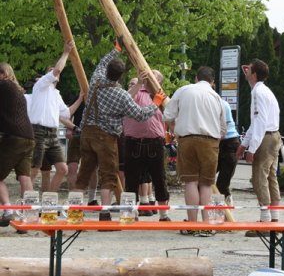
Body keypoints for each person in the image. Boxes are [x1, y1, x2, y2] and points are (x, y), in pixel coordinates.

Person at [75, 44, 166, 223]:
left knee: (83, 174)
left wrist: (117, 49)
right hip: (106, 137)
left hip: (87, 133)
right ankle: (105, 214)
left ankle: (75, 212)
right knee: (108, 175)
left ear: (107, 71)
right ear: (121, 76)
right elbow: (140, 114)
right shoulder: (121, 95)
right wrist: (156, 102)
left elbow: (102, 62)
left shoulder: (96, 80)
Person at [163, 66, 226, 232]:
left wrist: (176, 130)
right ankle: (206, 225)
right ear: (212, 82)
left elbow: (167, 116)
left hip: (187, 139)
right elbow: (223, 129)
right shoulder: (216, 97)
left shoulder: (184, 90)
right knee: (206, 183)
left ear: (196, 78)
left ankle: (192, 224)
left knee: (191, 181)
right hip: (210, 141)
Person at [28, 40, 84, 191]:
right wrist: (66, 52)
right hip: (38, 131)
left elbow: (67, 113)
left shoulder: (56, 94)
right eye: (51, 71)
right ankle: (23, 204)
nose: (55, 72)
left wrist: (80, 98)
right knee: (34, 170)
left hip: (52, 134)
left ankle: (48, 203)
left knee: (62, 169)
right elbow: (57, 70)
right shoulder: (40, 86)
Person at [236, 59, 282, 236]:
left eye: (248, 70)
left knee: (259, 178)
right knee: (271, 177)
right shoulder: (265, 90)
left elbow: (260, 122)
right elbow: (256, 122)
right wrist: (244, 144)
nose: (246, 72)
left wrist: (251, 148)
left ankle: (265, 222)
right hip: (273, 135)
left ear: (254, 74)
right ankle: (274, 220)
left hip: (265, 138)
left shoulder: (257, 92)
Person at [123, 71, 170, 221]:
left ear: (159, 81)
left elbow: (171, 116)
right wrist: (138, 83)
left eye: (155, 76)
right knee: (131, 179)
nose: (150, 76)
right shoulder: (138, 90)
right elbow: (124, 100)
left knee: (159, 179)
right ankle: (131, 213)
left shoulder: (162, 96)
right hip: (133, 141)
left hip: (155, 142)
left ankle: (163, 214)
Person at [0, 63, 35, 226]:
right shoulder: (17, 90)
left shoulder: (4, 85)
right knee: (24, 177)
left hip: (14, 137)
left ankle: (8, 210)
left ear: (3, 73)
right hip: (29, 136)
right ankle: (26, 215)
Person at [216, 100, 240, 206]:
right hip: (216, 141)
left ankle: (227, 210)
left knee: (222, 184)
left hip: (229, 142)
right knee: (205, 181)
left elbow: (224, 128)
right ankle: (218, 211)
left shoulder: (221, 103)